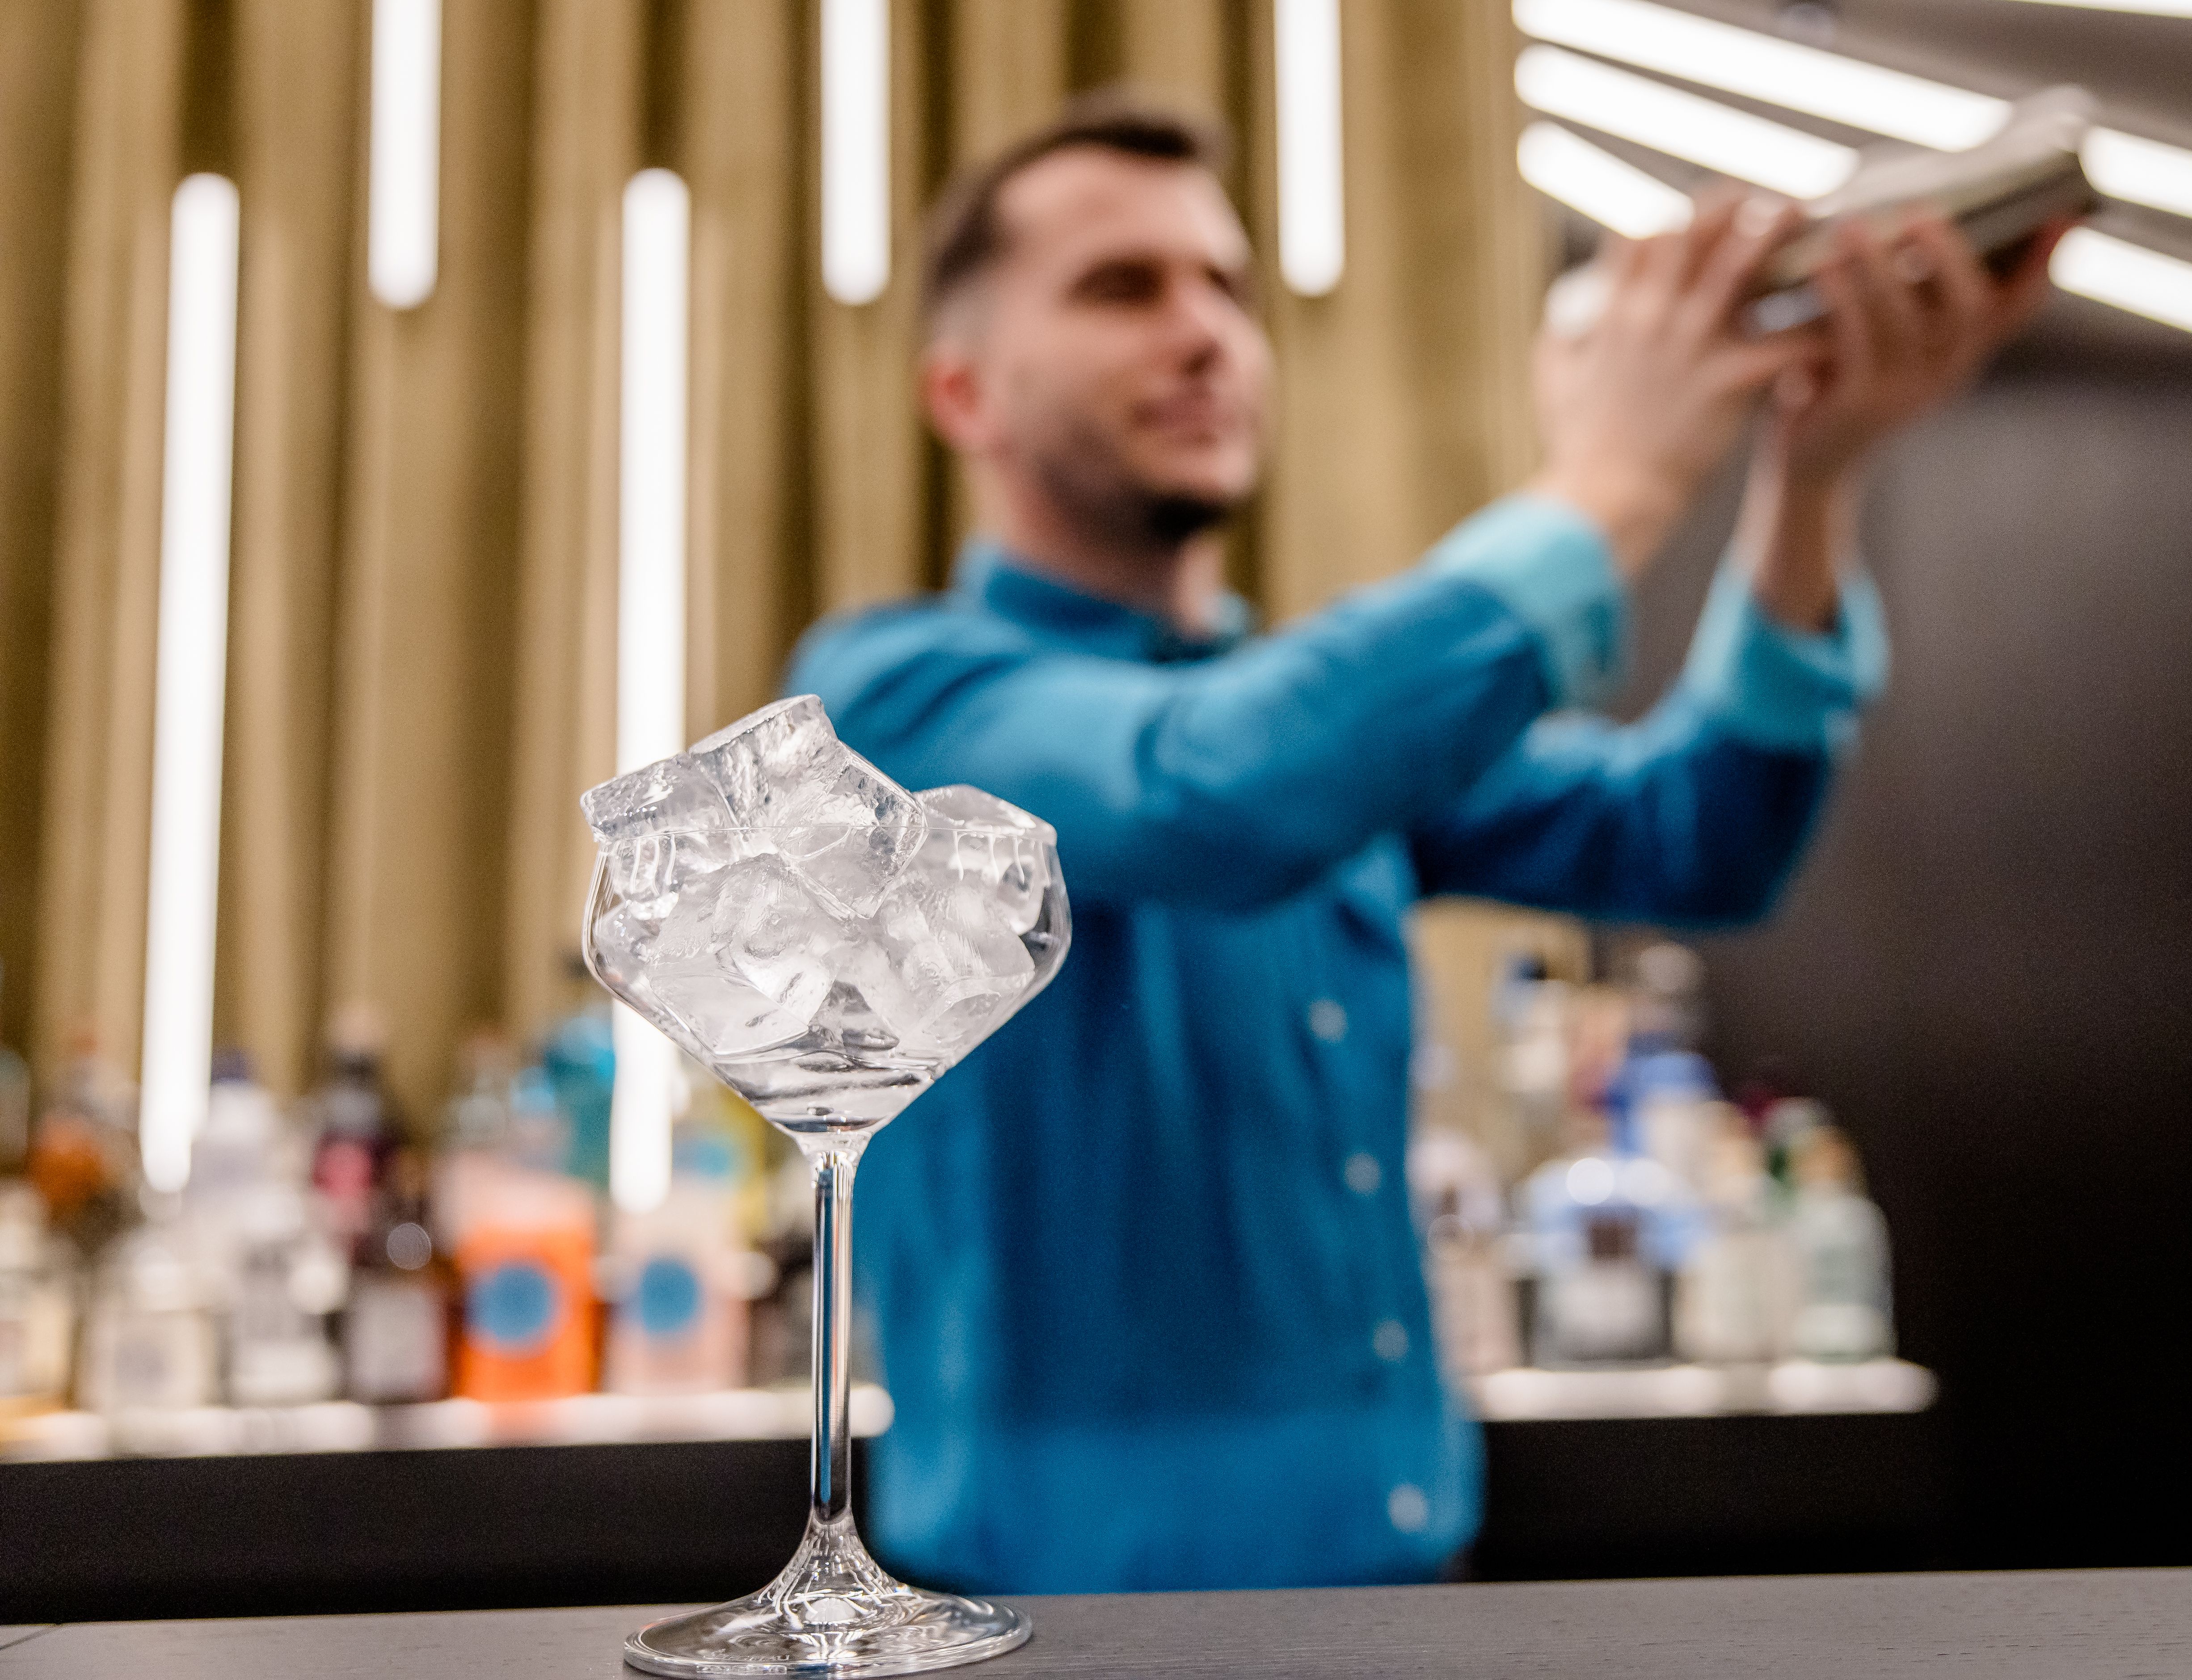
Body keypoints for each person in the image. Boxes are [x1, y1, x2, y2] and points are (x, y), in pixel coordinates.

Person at [787, 100, 2054, 1593]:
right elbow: (1211, 794)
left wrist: (1812, 479)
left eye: (1227, 291)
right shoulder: (894, 698)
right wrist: (1616, 483)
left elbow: (1699, 840)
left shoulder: (1327, 719)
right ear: (966, 394)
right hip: (1061, 1622)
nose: (1205, 335)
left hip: (1410, 1585)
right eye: (1122, 289)